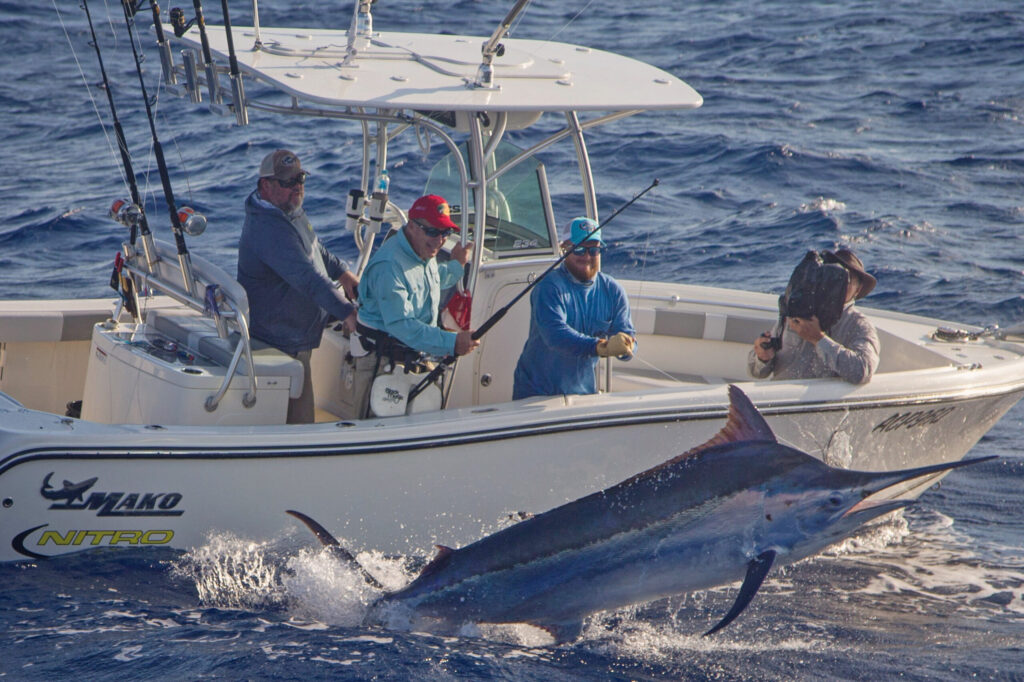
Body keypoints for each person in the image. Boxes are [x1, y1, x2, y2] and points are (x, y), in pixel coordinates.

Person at [237, 149, 359, 424]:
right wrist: (347, 313)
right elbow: (307, 277)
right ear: (265, 185)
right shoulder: (268, 228)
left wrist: (343, 274)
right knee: (302, 426)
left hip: (296, 334)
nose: (297, 187)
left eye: (300, 179)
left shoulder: (287, 210)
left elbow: (315, 249)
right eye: (288, 182)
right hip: (280, 340)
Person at [350, 194, 478, 417]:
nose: (440, 240)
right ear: (412, 227)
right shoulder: (389, 266)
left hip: (412, 359)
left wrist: (457, 265)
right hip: (382, 366)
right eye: (433, 231)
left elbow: (431, 281)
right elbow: (403, 325)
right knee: (376, 437)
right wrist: (452, 342)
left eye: (445, 233)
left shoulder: (422, 254)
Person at [513, 217, 637, 399]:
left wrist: (627, 348)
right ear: (565, 249)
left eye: (594, 250)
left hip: (582, 394)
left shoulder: (613, 290)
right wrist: (601, 347)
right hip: (535, 392)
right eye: (578, 249)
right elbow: (555, 335)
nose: (586, 256)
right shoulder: (549, 287)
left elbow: (629, 338)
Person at [748, 248, 880, 384]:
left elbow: (862, 371)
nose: (838, 283)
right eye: (833, 275)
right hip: (781, 399)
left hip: (820, 403)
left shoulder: (859, 325)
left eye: (847, 279)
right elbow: (755, 371)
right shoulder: (798, 309)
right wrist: (763, 358)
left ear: (858, 289)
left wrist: (818, 339)